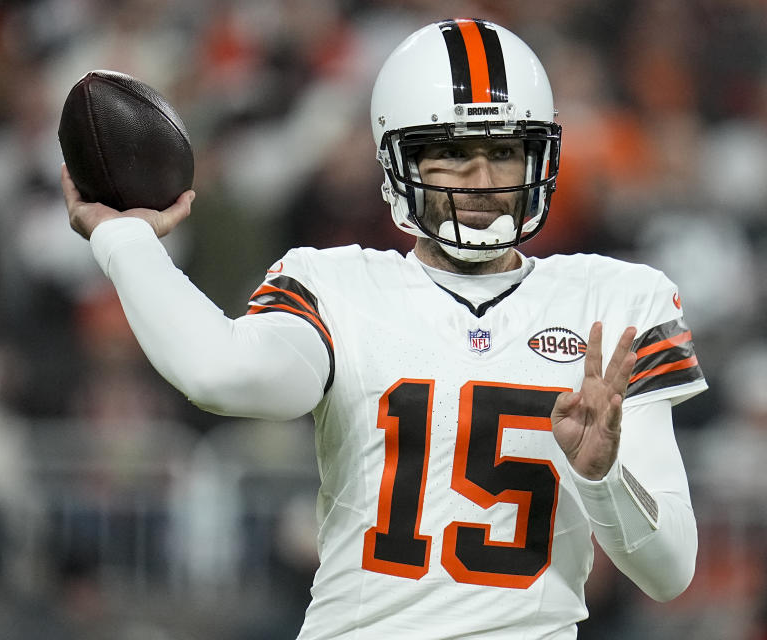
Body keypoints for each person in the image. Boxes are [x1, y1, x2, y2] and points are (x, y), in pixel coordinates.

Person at [62, 18, 707, 639]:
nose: (482, 182)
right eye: (452, 155)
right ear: (398, 159)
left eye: (504, 152)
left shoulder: (617, 299)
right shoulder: (337, 284)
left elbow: (671, 571)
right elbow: (222, 376)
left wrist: (603, 479)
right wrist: (126, 239)